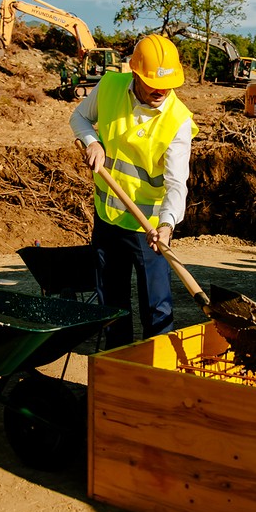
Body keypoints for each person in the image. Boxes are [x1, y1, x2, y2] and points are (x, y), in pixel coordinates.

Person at [72, 34, 196, 348]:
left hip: (149, 226)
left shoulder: (178, 121)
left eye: (167, 85)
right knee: (112, 306)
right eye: (153, 82)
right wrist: (92, 142)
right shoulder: (110, 86)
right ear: (136, 74)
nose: (161, 91)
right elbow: (79, 117)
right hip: (108, 217)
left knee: (157, 307)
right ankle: (118, 368)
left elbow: (176, 183)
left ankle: (157, 372)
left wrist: (166, 226)